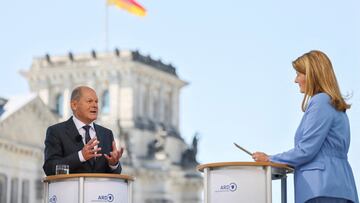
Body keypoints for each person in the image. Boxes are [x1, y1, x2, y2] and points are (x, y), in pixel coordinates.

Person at [252, 50, 359, 203]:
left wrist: (270, 159)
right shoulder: (334, 104)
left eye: (299, 74)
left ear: (312, 75)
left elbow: (306, 149)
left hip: (320, 188)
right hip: (340, 187)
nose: (296, 80)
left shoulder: (321, 101)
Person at [43, 86, 123, 175]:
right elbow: (49, 168)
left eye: (96, 102)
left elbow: (115, 174)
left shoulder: (106, 134)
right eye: (89, 101)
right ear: (74, 105)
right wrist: (81, 156)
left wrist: (113, 164)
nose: (95, 105)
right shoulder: (56, 132)